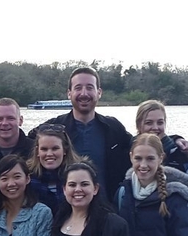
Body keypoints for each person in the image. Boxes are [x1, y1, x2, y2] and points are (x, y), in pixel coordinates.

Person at [32, 66, 132, 195]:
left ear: (99, 92)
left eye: (90, 88)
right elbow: (22, 145)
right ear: (69, 93)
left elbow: (139, 148)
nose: (84, 94)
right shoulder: (54, 127)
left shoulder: (113, 128)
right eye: (78, 88)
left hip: (107, 204)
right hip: (63, 205)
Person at [134, 99, 188, 170]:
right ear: (138, 125)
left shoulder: (176, 151)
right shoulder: (129, 146)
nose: (155, 127)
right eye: (149, 123)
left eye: (160, 122)